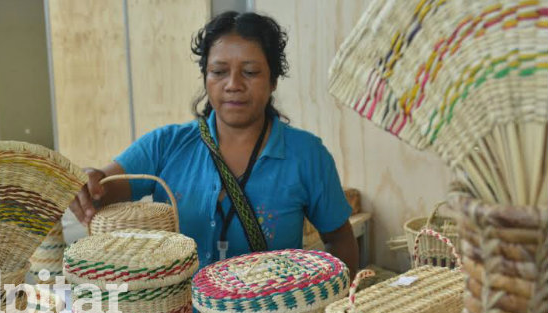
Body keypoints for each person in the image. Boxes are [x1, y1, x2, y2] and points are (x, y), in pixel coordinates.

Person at [69, 11, 359, 278]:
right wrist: (87, 182)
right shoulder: (165, 145)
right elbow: (102, 189)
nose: (233, 84)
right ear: (205, 78)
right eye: (219, 71)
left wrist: (330, 303)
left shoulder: (307, 155)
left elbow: (340, 239)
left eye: (250, 72)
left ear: (273, 81)